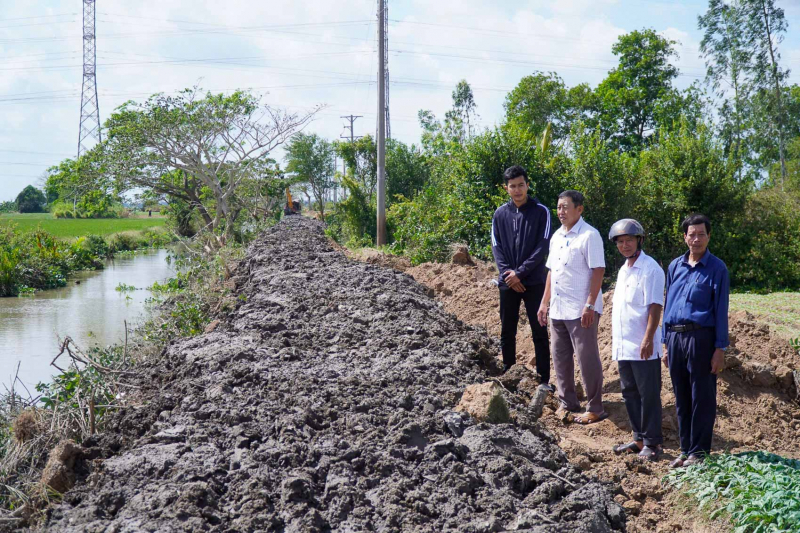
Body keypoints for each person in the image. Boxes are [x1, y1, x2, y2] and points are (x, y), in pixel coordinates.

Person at [663, 213, 729, 468]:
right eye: (692, 234)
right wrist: (665, 343)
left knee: (702, 395)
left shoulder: (717, 268)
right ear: (685, 237)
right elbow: (668, 305)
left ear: (709, 236)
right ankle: (684, 449)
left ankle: (699, 453)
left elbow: (721, 309)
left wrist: (720, 348)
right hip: (675, 337)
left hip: (701, 337)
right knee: (681, 395)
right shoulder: (674, 267)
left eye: (701, 234)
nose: (697, 239)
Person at [537, 190, 608, 425]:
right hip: (558, 307)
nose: (561, 212)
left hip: (581, 309)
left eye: (566, 207)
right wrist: (544, 302)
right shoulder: (557, 236)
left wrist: (590, 304)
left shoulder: (590, 236)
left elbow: (598, 270)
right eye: (558, 207)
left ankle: (596, 406)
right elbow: (551, 272)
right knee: (560, 357)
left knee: (587, 357)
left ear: (580, 209)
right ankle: (567, 402)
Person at [608, 219, 665, 461]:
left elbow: (655, 306)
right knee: (629, 392)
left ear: (639, 240)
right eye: (620, 242)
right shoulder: (624, 269)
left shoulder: (651, 269)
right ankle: (638, 438)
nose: (625, 245)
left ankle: (652, 443)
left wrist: (648, 338)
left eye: (629, 240)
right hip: (624, 344)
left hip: (643, 344)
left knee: (648, 393)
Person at [490, 165, 553, 383]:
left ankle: (544, 380)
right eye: (512, 186)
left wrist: (521, 273)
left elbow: (543, 247)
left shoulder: (541, 211)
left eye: (521, 185)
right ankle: (508, 374)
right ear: (506, 188)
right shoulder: (500, 214)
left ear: (527, 185)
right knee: (507, 329)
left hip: (534, 281)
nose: (517, 190)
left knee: (539, 331)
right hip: (508, 282)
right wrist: (510, 275)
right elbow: (496, 246)